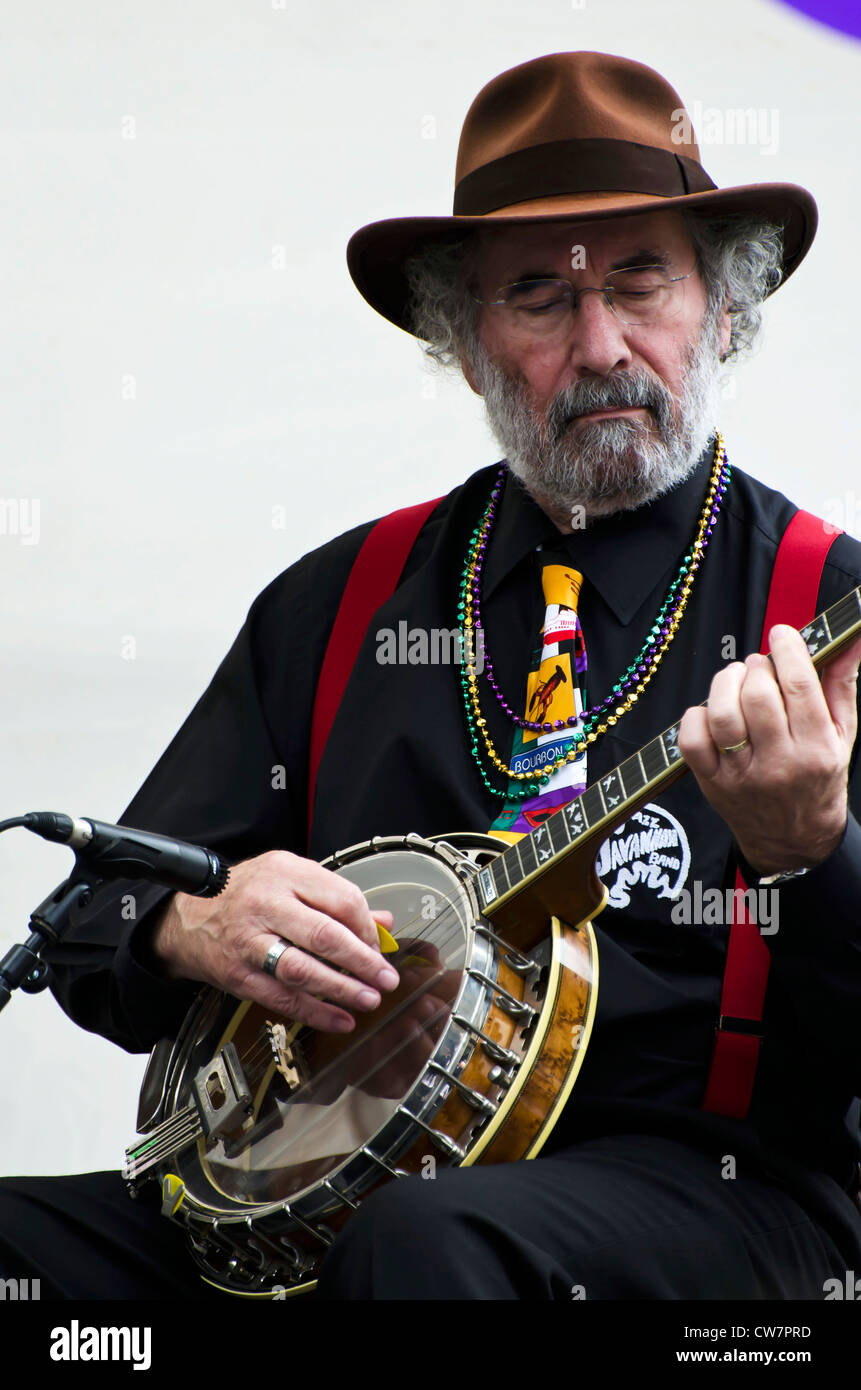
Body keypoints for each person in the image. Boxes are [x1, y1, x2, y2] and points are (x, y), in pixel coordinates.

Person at [3, 50, 861, 1301]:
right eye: (538, 298)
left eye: (642, 280)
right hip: (308, 1194)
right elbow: (92, 923)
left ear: (723, 311)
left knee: (426, 1247)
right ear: (466, 347)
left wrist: (813, 853)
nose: (602, 342)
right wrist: (193, 922)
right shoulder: (344, 601)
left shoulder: (828, 611)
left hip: (714, 1203)